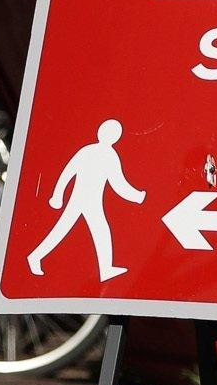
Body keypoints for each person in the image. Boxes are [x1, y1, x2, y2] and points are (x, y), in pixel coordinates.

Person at [25, 118, 145, 281]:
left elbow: (69, 173)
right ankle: (35, 257)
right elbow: (117, 183)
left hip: (90, 201)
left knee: (96, 230)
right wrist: (137, 196)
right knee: (66, 230)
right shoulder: (106, 155)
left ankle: (105, 269)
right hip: (83, 200)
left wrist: (58, 194)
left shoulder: (89, 151)